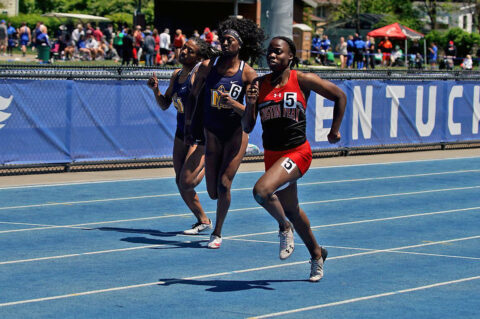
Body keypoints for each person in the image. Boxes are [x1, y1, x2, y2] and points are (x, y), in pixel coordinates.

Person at [242, 36, 346, 282]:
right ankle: (317, 254)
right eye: (269, 52)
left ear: (290, 56)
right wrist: (250, 103)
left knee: (261, 191)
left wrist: (334, 130)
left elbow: (340, 96)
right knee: (292, 209)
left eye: (278, 52)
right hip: (272, 155)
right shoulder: (258, 84)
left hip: (298, 152)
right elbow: (247, 126)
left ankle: (283, 227)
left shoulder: (302, 80)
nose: (272, 56)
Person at [184, 17, 264, 249]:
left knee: (224, 184)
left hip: (235, 135)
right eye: (223, 40)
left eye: (230, 40)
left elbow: (251, 117)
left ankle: (217, 232)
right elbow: (192, 96)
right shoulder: (208, 67)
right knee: (212, 192)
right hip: (211, 133)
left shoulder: (248, 74)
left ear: (240, 45)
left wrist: (234, 104)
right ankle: (216, 218)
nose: (225, 44)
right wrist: (190, 126)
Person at [148, 38, 215, 235]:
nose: (183, 51)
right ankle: (203, 220)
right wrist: (155, 91)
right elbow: (164, 104)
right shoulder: (176, 75)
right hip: (181, 133)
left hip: (198, 133)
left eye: (190, 50)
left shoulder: (201, 76)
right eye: (183, 47)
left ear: (199, 57)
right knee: (181, 183)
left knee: (187, 181)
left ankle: (212, 163)